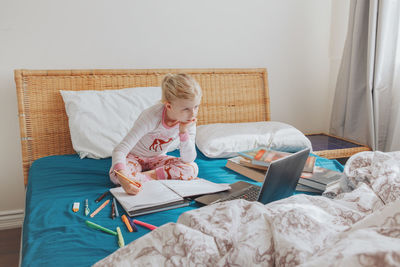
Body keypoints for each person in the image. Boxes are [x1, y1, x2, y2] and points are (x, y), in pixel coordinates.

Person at [109, 73, 201, 195]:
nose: (193, 114)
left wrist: (183, 132)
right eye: (186, 109)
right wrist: (123, 178)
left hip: (157, 159)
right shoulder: (151, 116)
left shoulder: (188, 120)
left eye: (196, 107)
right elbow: (119, 151)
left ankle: (147, 176)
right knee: (116, 177)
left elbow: (188, 158)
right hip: (134, 157)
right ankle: (145, 177)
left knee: (192, 168)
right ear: (169, 106)